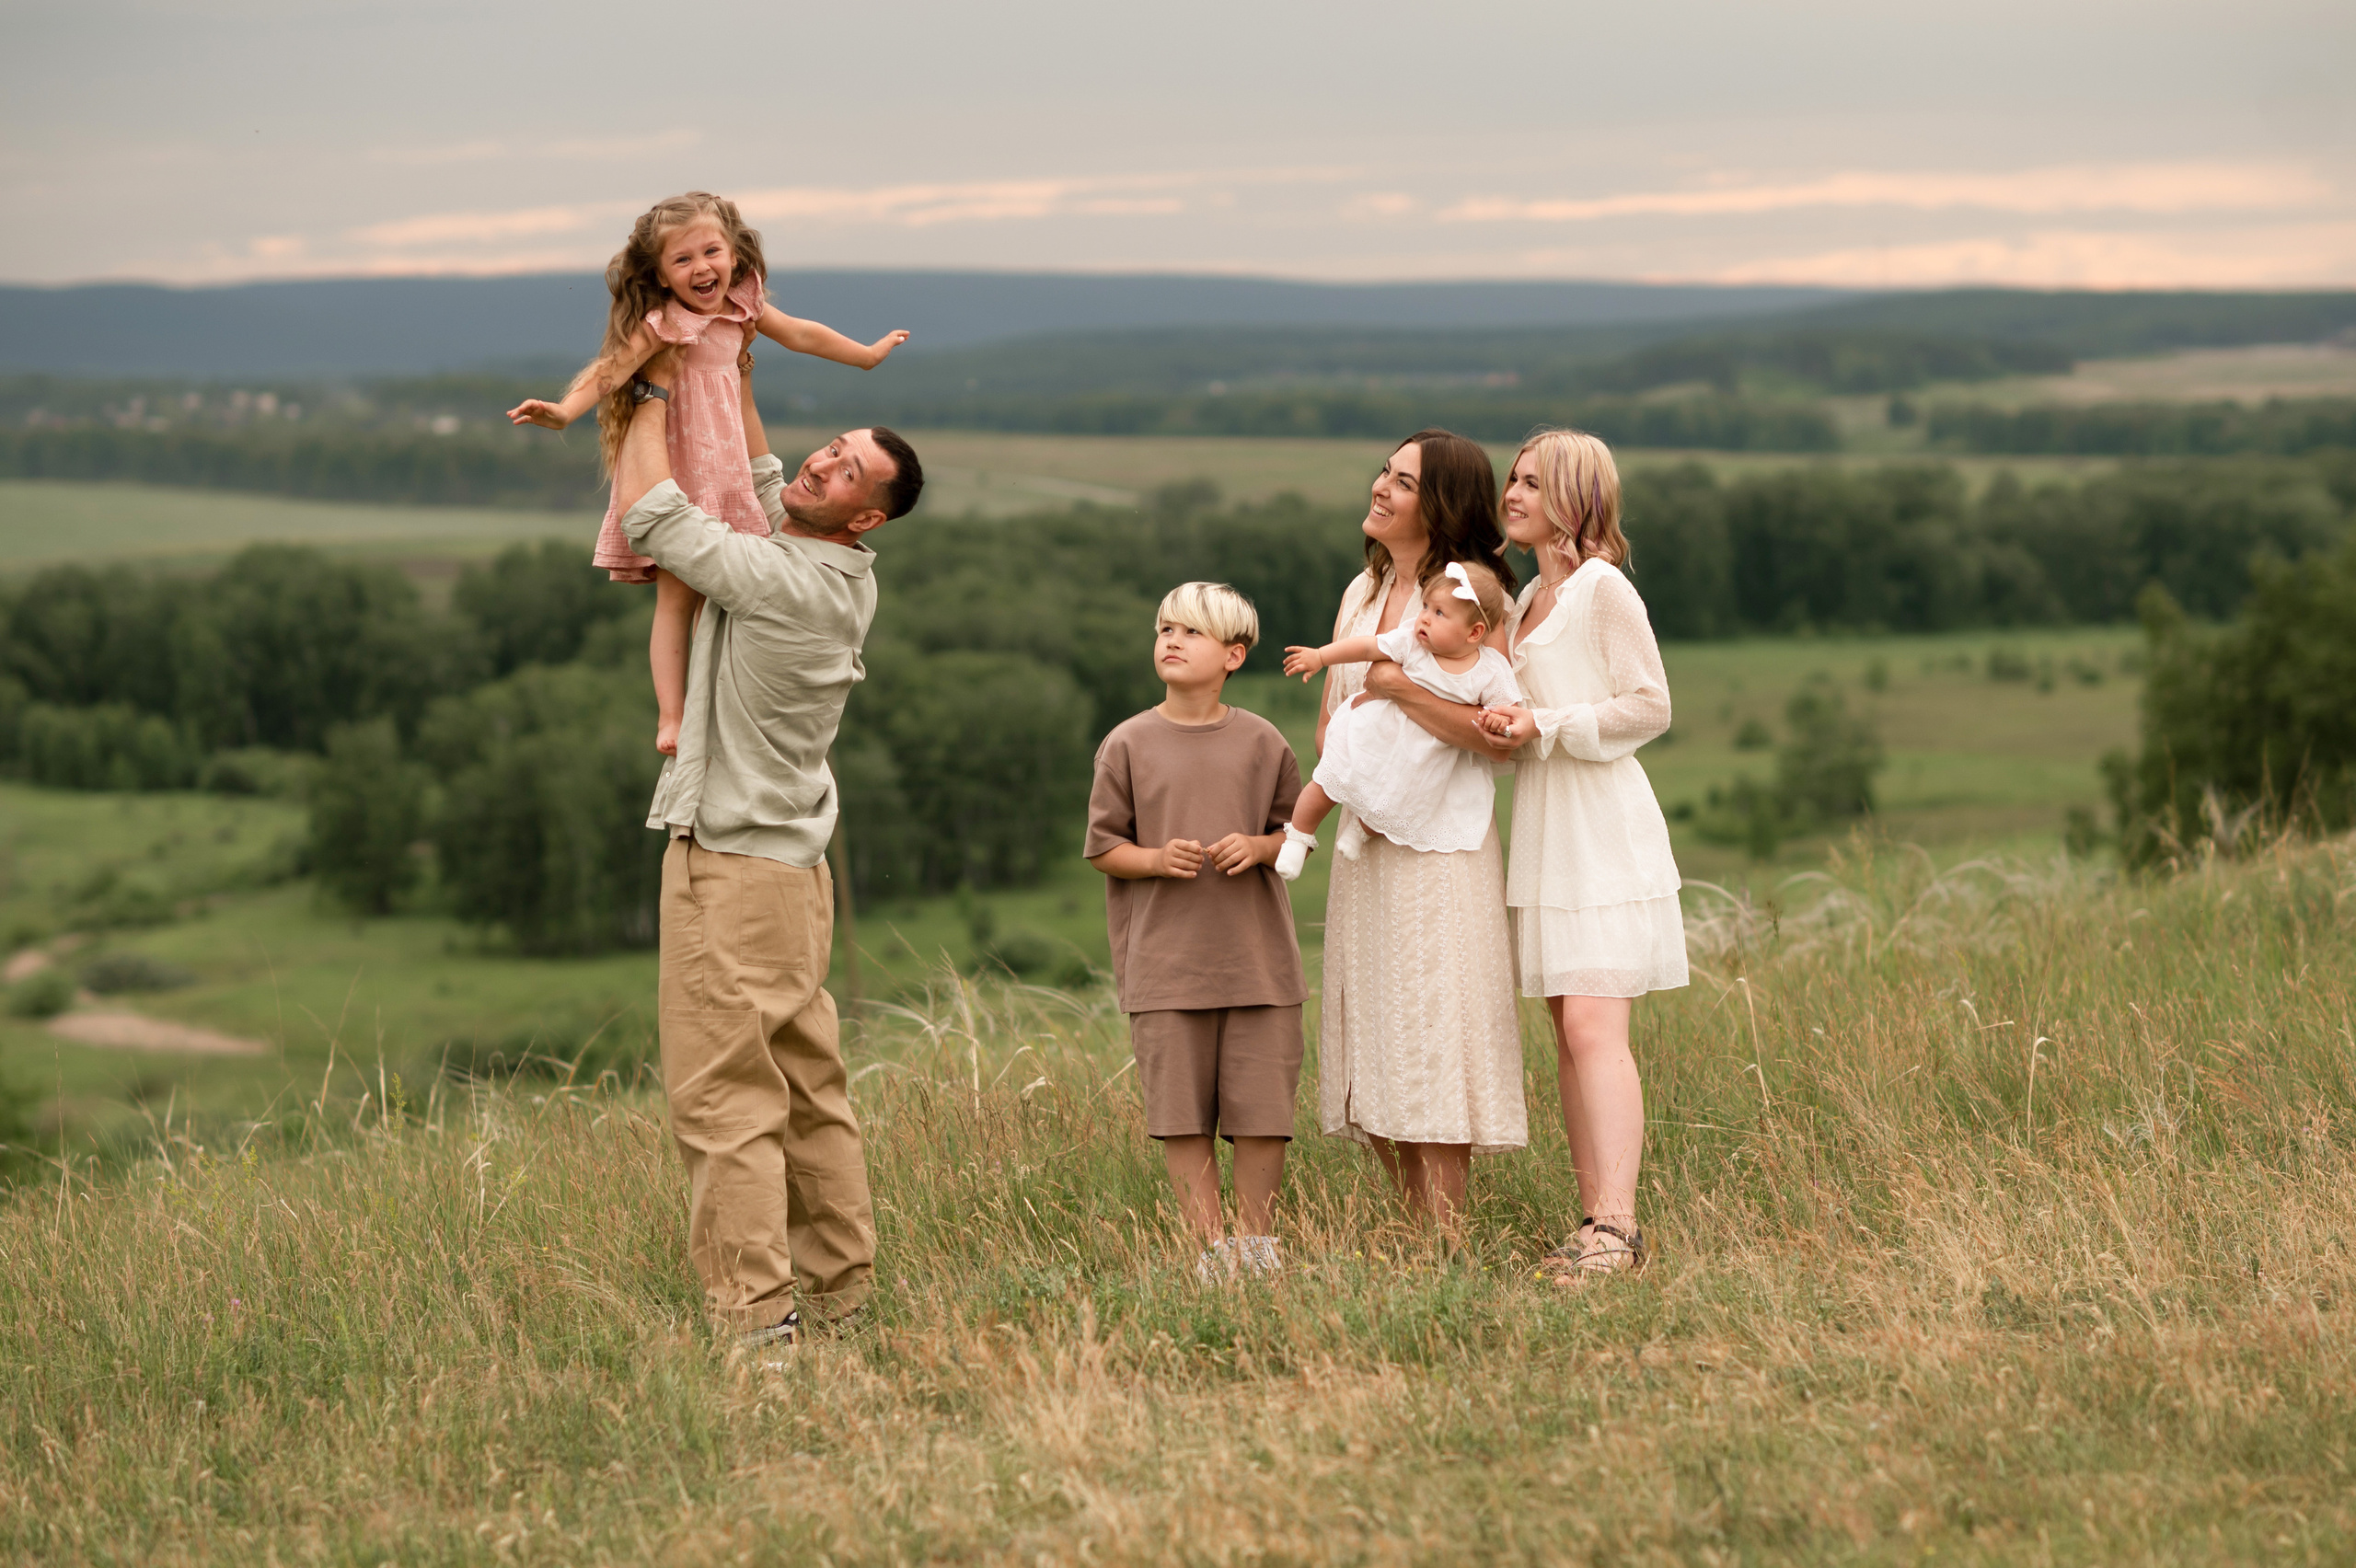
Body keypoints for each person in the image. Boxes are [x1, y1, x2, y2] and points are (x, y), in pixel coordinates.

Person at [609, 343, 925, 1349]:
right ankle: (839, 1299)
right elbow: (758, 476)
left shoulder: (784, 581)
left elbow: (654, 516)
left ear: (868, 519)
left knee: (724, 1100)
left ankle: (756, 1322)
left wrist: (648, 388)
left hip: (736, 872)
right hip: (787, 872)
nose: (821, 465)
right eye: (830, 447)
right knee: (806, 1090)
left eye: (847, 472)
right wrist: (736, 375)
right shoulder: (835, 572)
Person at [508, 190, 911, 756]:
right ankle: (672, 717)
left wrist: (865, 356)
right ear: (660, 275)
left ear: (733, 253)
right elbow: (610, 372)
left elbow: (801, 333)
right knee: (677, 600)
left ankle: (715, 705)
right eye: (683, 259)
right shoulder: (664, 324)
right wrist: (563, 413)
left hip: (728, 470)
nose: (702, 268)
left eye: (711, 252)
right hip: (680, 472)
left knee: (720, 604)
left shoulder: (742, 307)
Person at [1478, 428, 1688, 1280]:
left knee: (1597, 1027)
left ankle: (1619, 1229)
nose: (1513, 493)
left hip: (1601, 825)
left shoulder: (1603, 589)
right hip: (1545, 829)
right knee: (1568, 1034)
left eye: (1533, 483)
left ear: (1574, 497)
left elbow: (1650, 706)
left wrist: (1546, 723)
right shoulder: (1528, 598)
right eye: (1513, 479)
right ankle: (1594, 1221)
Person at [1311, 430, 1527, 1228]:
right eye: (1385, 471)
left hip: (1440, 854)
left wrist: (1400, 689)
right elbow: (1331, 721)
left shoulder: (1473, 599)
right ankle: (1415, 1235)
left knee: (1432, 1033)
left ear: (1440, 505)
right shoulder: (1361, 593)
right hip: (1365, 847)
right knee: (1375, 1038)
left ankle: (1444, 1243)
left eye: (1403, 482)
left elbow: (1496, 736)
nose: (1381, 487)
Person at [1085, 582, 1308, 1280]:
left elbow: (1296, 834)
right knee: (1181, 1116)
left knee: (1263, 1112)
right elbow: (1103, 848)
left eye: (1191, 632)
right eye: (1165, 630)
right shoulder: (1126, 743)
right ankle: (1209, 1255)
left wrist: (1262, 846)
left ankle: (1256, 1250)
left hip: (1260, 967)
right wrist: (1155, 860)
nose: (1172, 641)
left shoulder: (1263, 741)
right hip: (1165, 969)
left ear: (1233, 656)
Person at [1276, 560, 1520, 877]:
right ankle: (1298, 836)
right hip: (1378, 734)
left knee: (1405, 799)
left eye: (1439, 613)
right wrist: (1321, 656)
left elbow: (1508, 711)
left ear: (1474, 632)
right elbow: (1367, 647)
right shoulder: (1412, 643)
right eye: (1426, 607)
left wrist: (1498, 721)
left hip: (1425, 757)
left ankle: (1361, 830)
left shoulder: (1490, 670)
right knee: (1328, 780)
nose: (1425, 618)